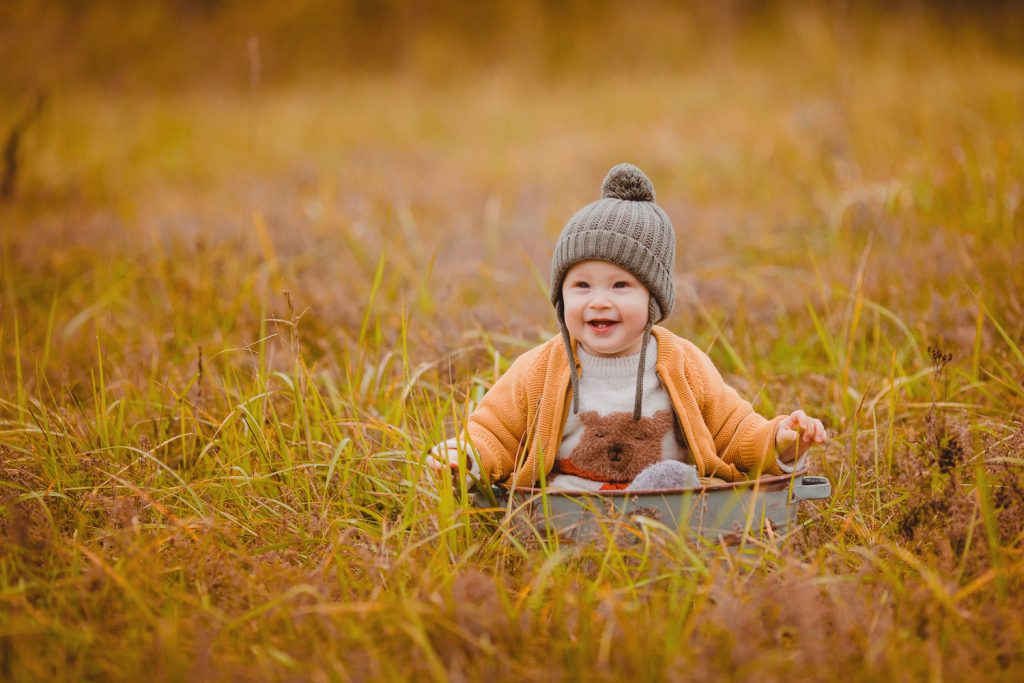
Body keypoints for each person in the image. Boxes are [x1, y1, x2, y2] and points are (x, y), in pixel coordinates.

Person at [427, 163, 826, 492]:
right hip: (567, 516)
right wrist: (466, 457)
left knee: (680, 485)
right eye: (581, 285)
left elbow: (735, 430)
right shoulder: (541, 369)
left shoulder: (681, 363)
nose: (599, 300)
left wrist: (782, 442)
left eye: (621, 285)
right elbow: (496, 431)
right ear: (561, 296)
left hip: (669, 515)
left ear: (652, 300)